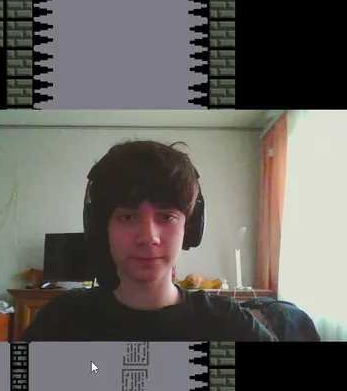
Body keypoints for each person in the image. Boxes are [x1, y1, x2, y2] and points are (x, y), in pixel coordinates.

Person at [22, 140, 276, 342]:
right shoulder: (62, 321)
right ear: (100, 228)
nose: (148, 237)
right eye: (127, 217)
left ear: (189, 227)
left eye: (166, 217)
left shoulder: (228, 323)